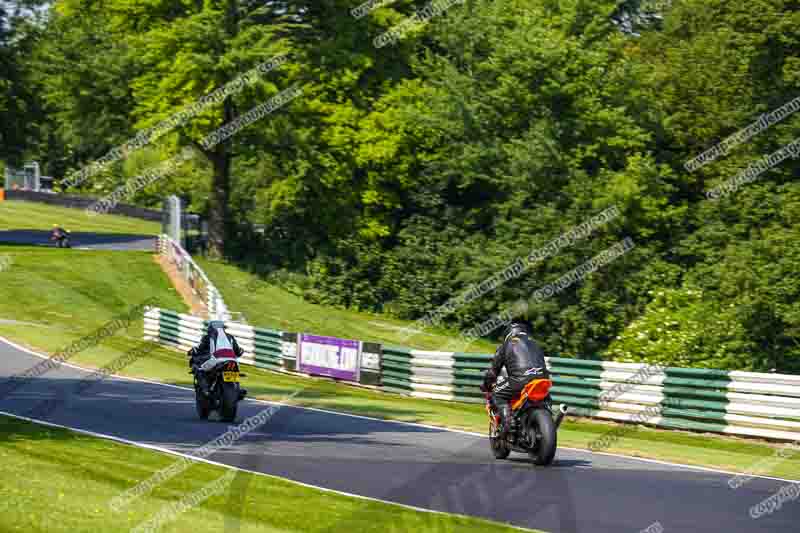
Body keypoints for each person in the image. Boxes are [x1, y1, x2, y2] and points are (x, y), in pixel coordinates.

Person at [481, 316, 550, 439]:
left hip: (520, 380)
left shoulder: (506, 344)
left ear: (509, 331)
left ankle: (509, 423)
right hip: (543, 379)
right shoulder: (535, 343)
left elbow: (492, 372)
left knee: (496, 394)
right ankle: (548, 417)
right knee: (546, 398)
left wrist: (486, 385)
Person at [188, 320, 245, 396]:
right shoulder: (230, 337)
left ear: (210, 328)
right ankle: (238, 390)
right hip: (232, 360)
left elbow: (199, 349)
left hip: (216, 359)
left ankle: (206, 390)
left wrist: (192, 351)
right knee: (234, 372)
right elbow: (238, 351)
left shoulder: (207, 337)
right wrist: (240, 352)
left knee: (200, 370)